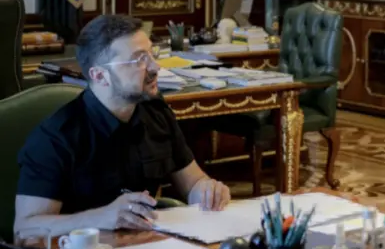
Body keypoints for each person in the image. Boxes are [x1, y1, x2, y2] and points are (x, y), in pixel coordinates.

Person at [14, 14, 231, 236]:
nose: (155, 67)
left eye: (152, 54)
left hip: (148, 244)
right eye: (139, 60)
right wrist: (101, 218)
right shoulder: (56, 137)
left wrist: (207, 191)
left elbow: (193, 183)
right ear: (100, 76)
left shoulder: (156, 113)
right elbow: (25, 230)